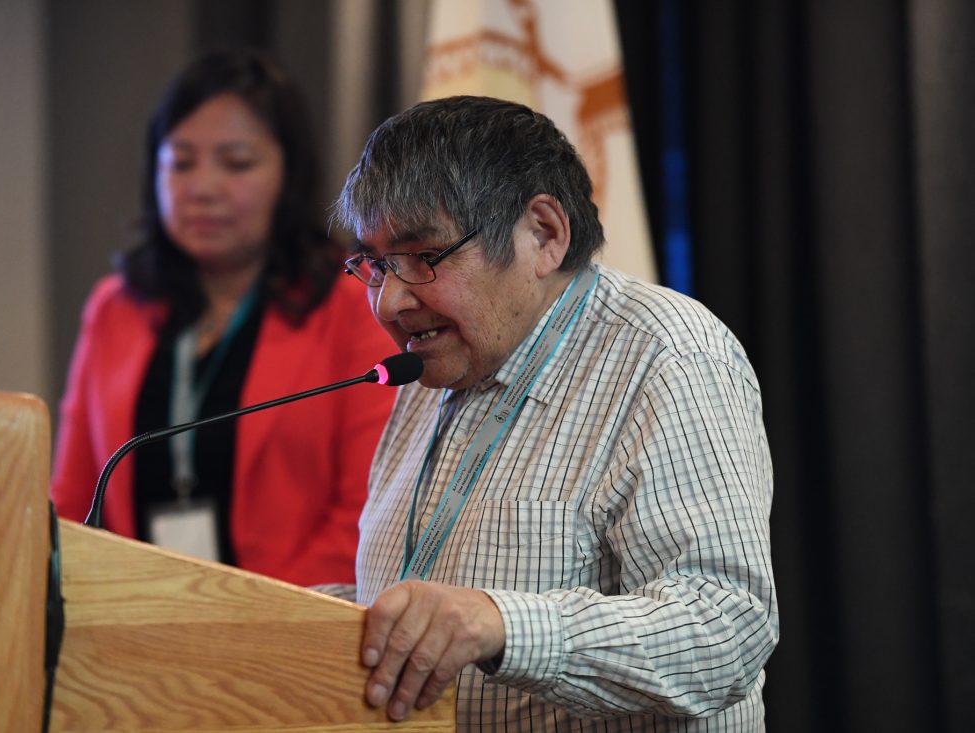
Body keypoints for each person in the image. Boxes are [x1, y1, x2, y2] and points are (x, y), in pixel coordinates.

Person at [331, 96, 778, 731]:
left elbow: (723, 629)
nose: (389, 302)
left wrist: (501, 624)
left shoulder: (669, 357)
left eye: (424, 257)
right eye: (376, 265)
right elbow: (424, 603)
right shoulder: (431, 365)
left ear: (543, 233)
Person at [50, 50, 395, 586]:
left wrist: (240, 622)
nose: (203, 187)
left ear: (290, 174)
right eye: (181, 161)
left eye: (236, 162)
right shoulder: (115, 307)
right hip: (129, 626)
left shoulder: (351, 305)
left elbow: (367, 510)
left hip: (289, 627)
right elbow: (73, 502)